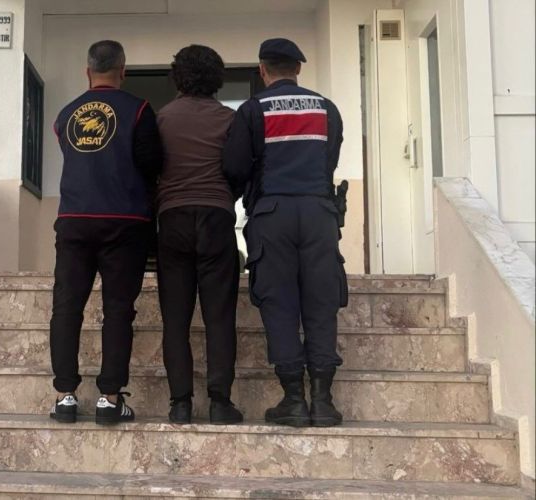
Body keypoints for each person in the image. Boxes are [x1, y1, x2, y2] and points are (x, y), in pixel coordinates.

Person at [223, 38, 348, 428]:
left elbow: (235, 167)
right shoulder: (326, 108)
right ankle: (323, 402)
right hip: (319, 213)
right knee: (321, 301)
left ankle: (293, 399)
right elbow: (329, 161)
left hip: (271, 215)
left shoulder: (252, 109)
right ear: (298, 69)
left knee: (278, 302)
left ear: (262, 70)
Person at [48, 40, 162, 426]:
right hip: (124, 222)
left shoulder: (66, 115)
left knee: (67, 307)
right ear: (123, 70)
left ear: (87, 71)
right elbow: (152, 164)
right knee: (117, 310)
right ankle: (110, 400)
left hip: (74, 219)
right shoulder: (139, 110)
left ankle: (65, 396)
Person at [156, 45, 243, 425]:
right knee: (219, 315)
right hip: (217, 217)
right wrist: (224, 196)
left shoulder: (162, 118)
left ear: (177, 77)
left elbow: (150, 168)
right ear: (217, 79)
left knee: (175, 319)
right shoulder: (230, 119)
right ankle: (220, 403)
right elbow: (238, 169)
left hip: (173, 218)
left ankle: (180, 404)